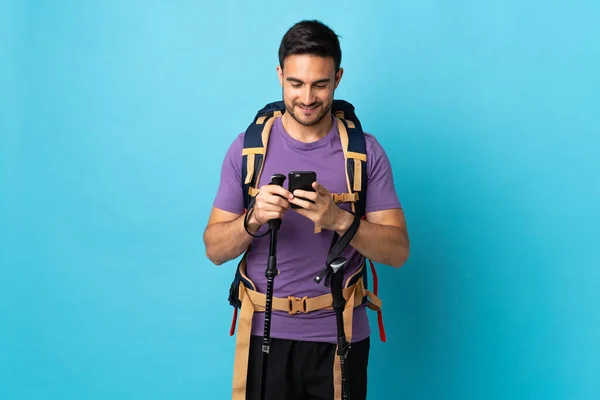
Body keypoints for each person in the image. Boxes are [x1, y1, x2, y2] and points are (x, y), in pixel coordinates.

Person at [203, 20, 410, 400]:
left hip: (341, 334)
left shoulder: (364, 153)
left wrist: (340, 220)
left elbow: (397, 252)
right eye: (296, 83)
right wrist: (252, 220)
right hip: (264, 331)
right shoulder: (248, 150)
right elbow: (215, 249)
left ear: (338, 78)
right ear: (280, 75)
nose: (307, 97)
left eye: (320, 84)